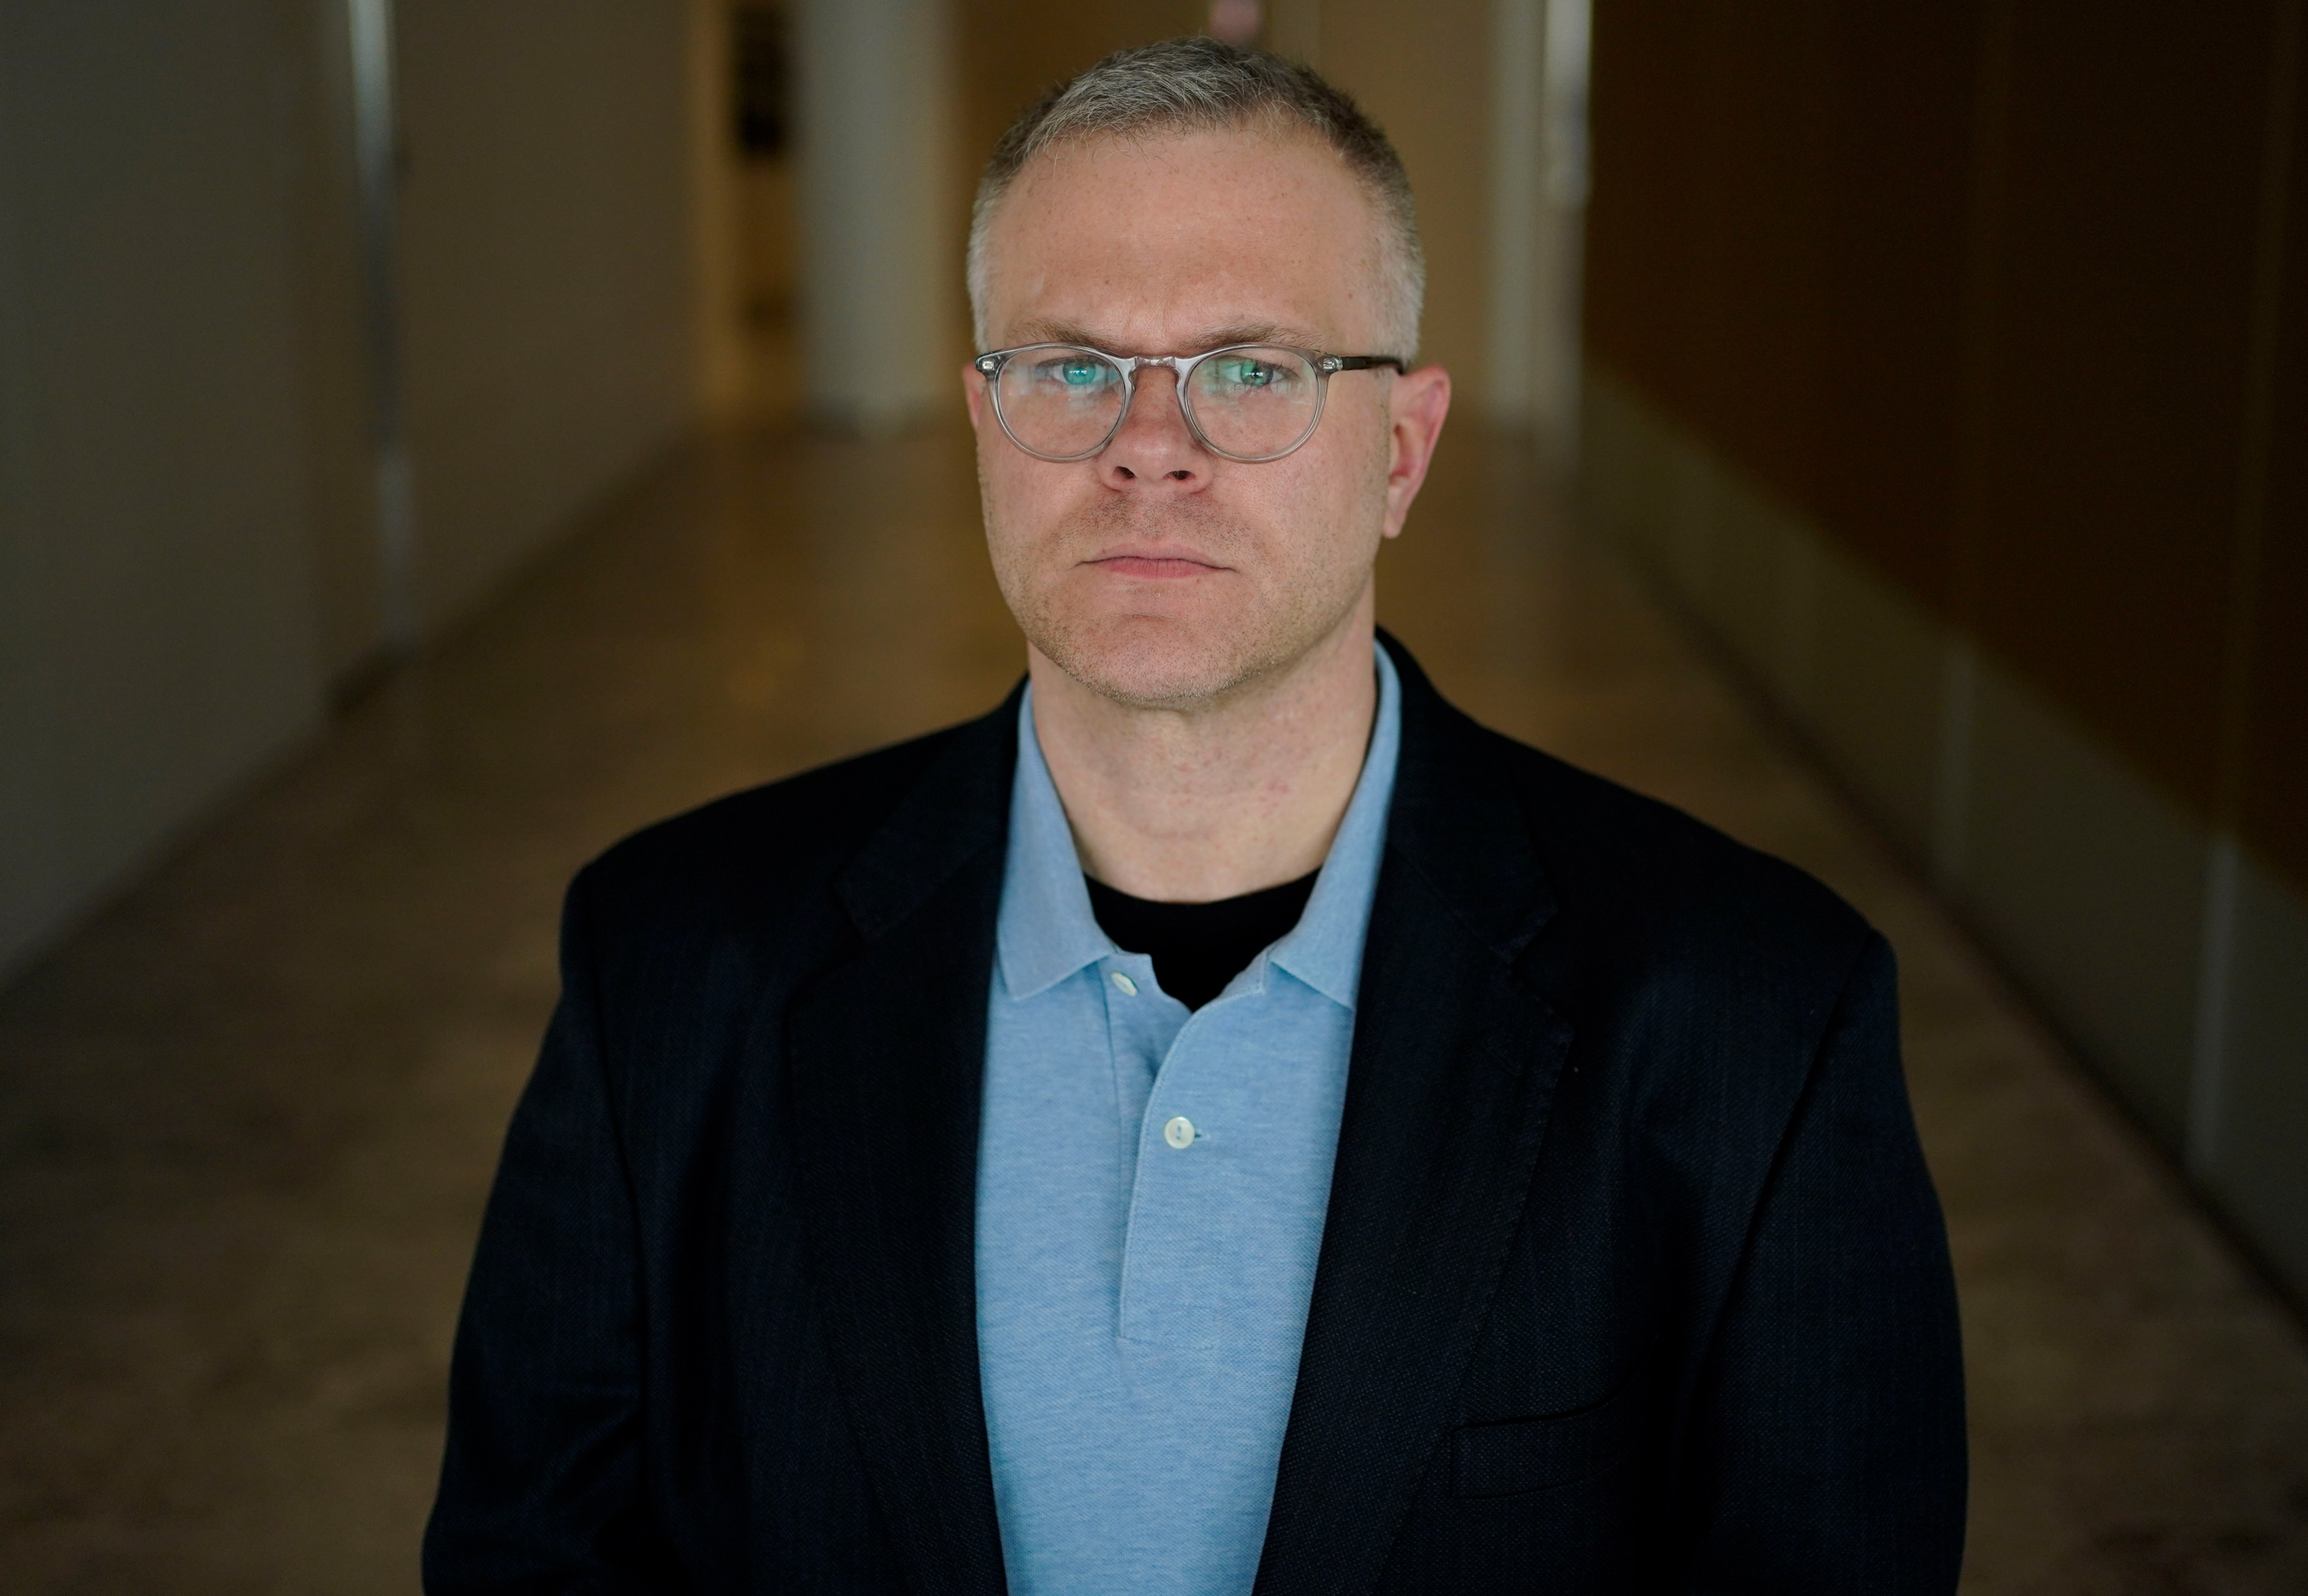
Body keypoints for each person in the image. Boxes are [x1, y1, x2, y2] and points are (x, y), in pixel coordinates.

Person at [423, 37, 1965, 1595]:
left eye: (1253, 369)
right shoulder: (667, 963)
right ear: (982, 424)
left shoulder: (1756, 1014)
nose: (1147, 443)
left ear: (1402, 452)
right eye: (1071, 365)